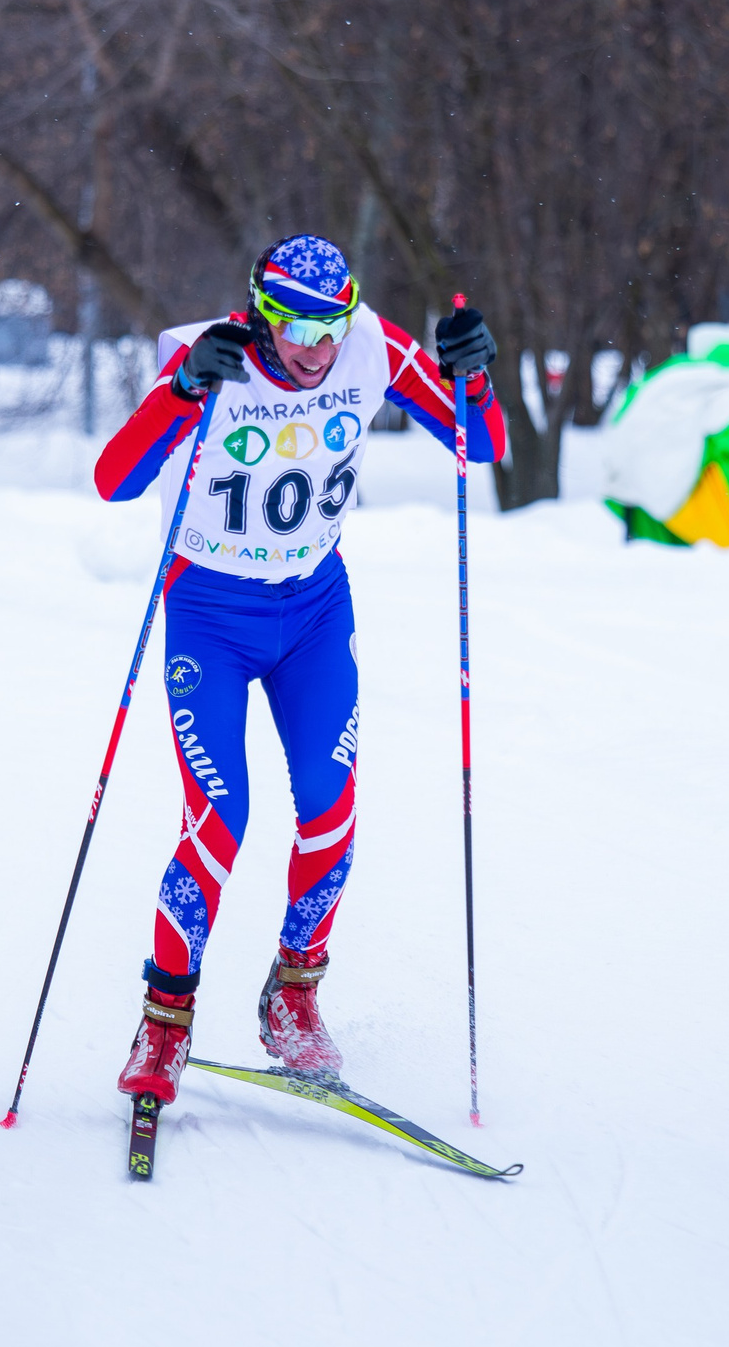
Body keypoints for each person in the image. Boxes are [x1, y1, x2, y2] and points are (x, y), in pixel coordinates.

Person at [91, 234, 502, 1105]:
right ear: (261, 312)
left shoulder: (373, 348)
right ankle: (164, 1021)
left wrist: (473, 375)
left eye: (332, 328)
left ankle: (294, 993)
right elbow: (114, 480)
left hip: (313, 610)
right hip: (210, 614)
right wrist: (182, 391)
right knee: (219, 818)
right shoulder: (203, 354)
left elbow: (480, 441)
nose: (317, 351)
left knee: (330, 805)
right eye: (297, 329)